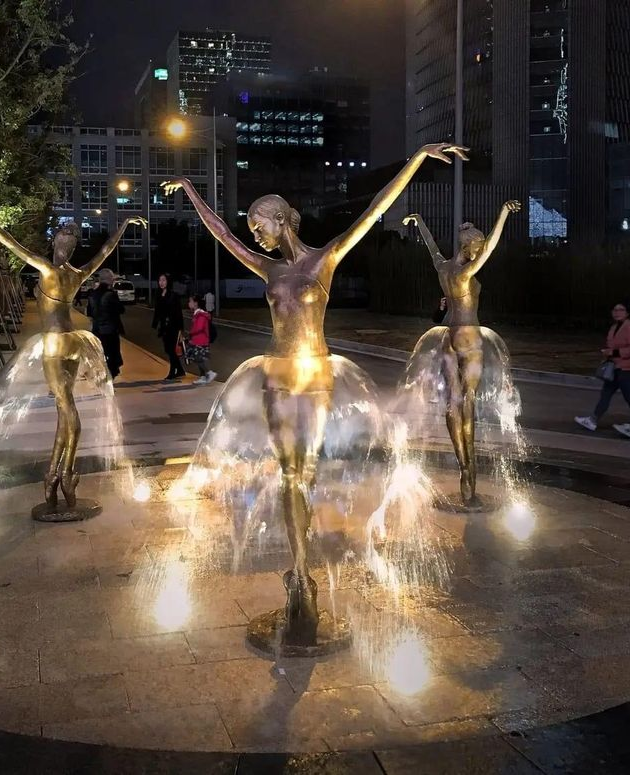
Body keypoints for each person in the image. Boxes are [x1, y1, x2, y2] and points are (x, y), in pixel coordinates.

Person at [162, 141, 467, 645]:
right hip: (278, 374)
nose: (253, 234)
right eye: (252, 228)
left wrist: (415, 158)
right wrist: (193, 191)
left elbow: (375, 210)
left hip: (318, 373)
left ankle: (302, 571)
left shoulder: (324, 258)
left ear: (282, 220)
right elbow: (219, 234)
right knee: (289, 475)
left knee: (305, 473)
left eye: (259, 225)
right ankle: (300, 573)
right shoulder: (271, 270)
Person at [0, 202, 146, 508]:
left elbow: (8, 241)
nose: (66, 246)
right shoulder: (76, 273)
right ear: (59, 242)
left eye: (70, 242)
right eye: (66, 241)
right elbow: (105, 250)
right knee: (64, 413)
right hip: (72, 344)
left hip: (56, 345)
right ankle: (56, 475)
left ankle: (62, 475)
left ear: (58, 243)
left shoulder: (48, 268)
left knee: (68, 414)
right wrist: (124, 224)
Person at [404, 200, 521, 507]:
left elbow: (431, 248)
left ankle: (463, 465)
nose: (481, 250)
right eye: (478, 245)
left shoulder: (444, 268)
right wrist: (503, 213)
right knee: (467, 404)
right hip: (469, 336)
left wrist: (419, 220)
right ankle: (469, 471)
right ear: (469, 247)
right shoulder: (466, 273)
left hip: (448, 337)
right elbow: (494, 246)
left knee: (452, 405)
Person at [576, 302, 630, 432]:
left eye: (621, 310)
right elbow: (612, 345)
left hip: (626, 370)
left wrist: (614, 353)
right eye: (615, 310)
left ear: (627, 313)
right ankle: (592, 420)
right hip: (613, 368)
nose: (617, 312)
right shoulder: (614, 327)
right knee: (605, 394)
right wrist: (607, 352)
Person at [87, 268, 125, 379]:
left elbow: (89, 312)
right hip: (110, 330)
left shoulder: (92, 294)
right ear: (109, 280)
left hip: (97, 330)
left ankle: (102, 376)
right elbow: (120, 310)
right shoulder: (110, 294)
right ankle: (109, 377)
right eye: (112, 278)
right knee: (112, 355)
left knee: (100, 354)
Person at [152, 273, 185, 380]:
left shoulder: (173, 295)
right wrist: (155, 324)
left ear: (168, 282)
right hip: (164, 326)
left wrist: (181, 329)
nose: (161, 283)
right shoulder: (158, 293)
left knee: (171, 350)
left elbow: (178, 312)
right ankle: (180, 370)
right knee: (168, 349)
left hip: (173, 326)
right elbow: (157, 310)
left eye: (164, 280)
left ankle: (173, 371)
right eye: (160, 280)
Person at [185, 294, 216, 385]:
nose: (189, 303)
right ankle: (203, 376)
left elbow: (199, 327)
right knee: (197, 358)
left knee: (198, 358)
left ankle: (209, 373)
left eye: (190, 301)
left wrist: (190, 333)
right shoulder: (197, 314)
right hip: (196, 340)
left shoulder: (201, 315)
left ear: (196, 303)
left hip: (201, 341)